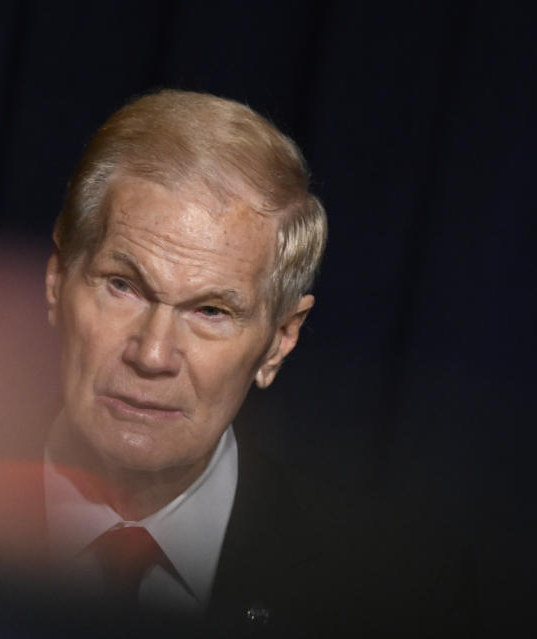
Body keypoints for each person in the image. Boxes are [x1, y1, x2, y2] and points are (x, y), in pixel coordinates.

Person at [41, 90, 469, 637]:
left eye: (212, 311)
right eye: (123, 286)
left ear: (279, 342)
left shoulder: (398, 596)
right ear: (57, 282)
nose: (151, 355)